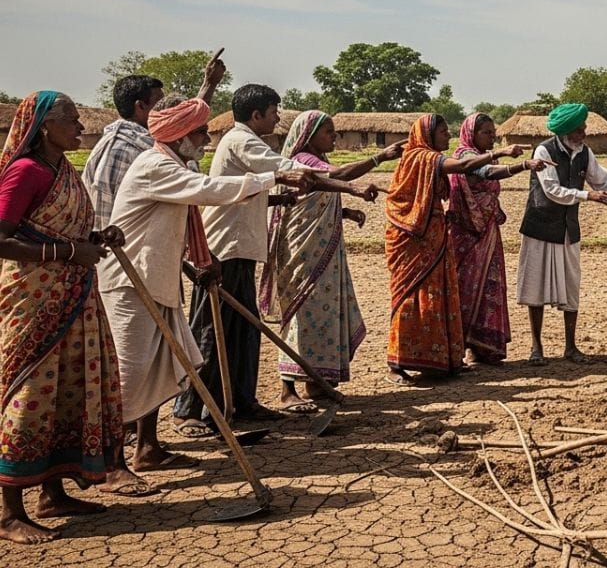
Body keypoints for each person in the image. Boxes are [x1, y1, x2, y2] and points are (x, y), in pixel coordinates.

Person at [98, 96, 313, 486]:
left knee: (160, 367)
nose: (205, 139)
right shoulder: (155, 165)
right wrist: (273, 177)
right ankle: (111, 463)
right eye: (199, 132)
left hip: (158, 281)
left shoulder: (174, 162)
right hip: (130, 284)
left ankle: (147, 448)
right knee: (129, 373)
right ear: (179, 134)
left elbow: (191, 206)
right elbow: (206, 189)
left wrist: (203, 260)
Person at [173, 84, 374, 436]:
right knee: (211, 330)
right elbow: (288, 168)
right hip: (225, 249)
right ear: (256, 115)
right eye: (274, 111)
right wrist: (350, 186)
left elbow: (252, 189)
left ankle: (241, 401)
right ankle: (189, 410)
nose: (278, 117)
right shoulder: (242, 141)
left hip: (243, 248)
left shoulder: (246, 144)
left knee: (244, 332)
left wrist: (279, 202)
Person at [0, 92, 126, 544]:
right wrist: (72, 252)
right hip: (35, 298)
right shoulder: (24, 172)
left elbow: (58, 228)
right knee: (30, 392)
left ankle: (51, 493)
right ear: (43, 127)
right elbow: (3, 238)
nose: (80, 126)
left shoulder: (63, 170)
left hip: (74, 293)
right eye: (71, 120)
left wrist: (96, 236)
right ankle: (9, 512)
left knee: (65, 390)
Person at [259, 110, 403, 411]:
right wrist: (379, 158)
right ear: (310, 137)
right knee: (300, 309)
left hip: (322, 248)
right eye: (329, 132)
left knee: (321, 312)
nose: (335, 137)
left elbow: (316, 198)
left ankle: (316, 381)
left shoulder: (315, 161)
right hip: (302, 250)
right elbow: (336, 177)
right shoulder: (303, 161)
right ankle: (287, 388)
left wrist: (345, 212)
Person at [386, 114, 530, 383]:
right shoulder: (424, 157)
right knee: (411, 299)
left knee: (434, 299)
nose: (447, 137)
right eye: (442, 132)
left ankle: (433, 359)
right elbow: (464, 167)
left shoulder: (429, 159)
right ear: (428, 135)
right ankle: (396, 363)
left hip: (433, 236)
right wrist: (504, 155)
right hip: (415, 239)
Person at [516, 104, 607, 365]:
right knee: (535, 286)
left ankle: (571, 347)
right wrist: (586, 195)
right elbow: (551, 190)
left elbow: (602, 181)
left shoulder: (584, 153)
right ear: (566, 130)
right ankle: (536, 348)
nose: (584, 132)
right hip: (540, 226)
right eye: (579, 129)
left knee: (571, 286)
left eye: (583, 128)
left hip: (568, 229)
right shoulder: (544, 150)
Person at [82, 50, 225, 232]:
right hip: (126, 249)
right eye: (159, 104)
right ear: (140, 106)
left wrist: (209, 84)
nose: (165, 111)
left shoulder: (124, 142)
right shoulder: (130, 150)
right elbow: (200, 187)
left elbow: (185, 124)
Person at [447, 112, 546, 366]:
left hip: (487, 232)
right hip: (467, 234)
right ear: (471, 134)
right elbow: (487, 171)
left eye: (493, 133)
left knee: (489, 285)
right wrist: (521, 165)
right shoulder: (464, 156)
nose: (492, 137)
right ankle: (466, 346)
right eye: (486, 133)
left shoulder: (472, 154)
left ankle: (485, 347)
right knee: (466, 288)